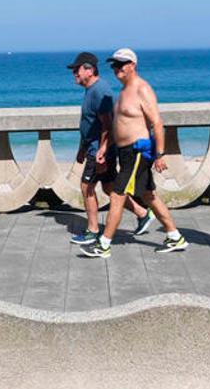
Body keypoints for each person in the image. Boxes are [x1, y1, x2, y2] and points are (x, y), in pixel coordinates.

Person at [80, 48, 187, 258]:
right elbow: (117, 125)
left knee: (118, 195)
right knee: (149, 195)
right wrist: (104, 147)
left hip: (137, 151)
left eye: (121, 64)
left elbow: (157, 122)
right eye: (114, 65)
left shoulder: (142, 89)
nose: (116, 69)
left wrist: (160, 154)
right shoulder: (123, 92)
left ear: (133, 65)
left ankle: (104, 244)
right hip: (124, 152)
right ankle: (175, 236)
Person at [66, 52, 155, 245]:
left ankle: (93, 230)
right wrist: (82, 148)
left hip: (99, 150)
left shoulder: (100, 91)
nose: (74, 73)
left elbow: (107, 125)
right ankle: (142, 213)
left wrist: (102, 150)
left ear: (89, 70)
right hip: (93, 147)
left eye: (77, 70)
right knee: (109, 186)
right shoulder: (92, 89)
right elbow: (90, 123)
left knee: (86, 186)